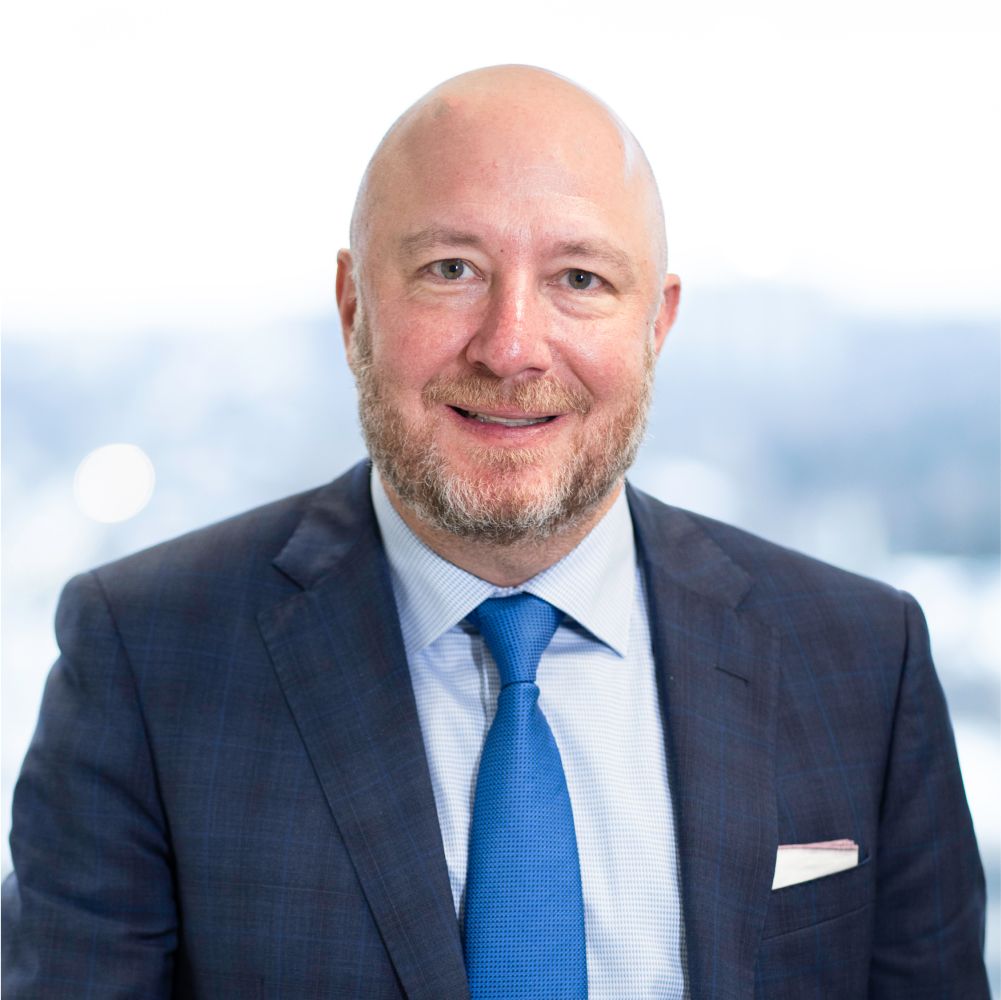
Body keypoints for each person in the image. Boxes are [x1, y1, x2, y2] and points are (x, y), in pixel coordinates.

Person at [2, 65, 989, 999]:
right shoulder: (144, 658)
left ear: (656, 325)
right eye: (451, 269)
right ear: (352, 308)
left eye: (580, 279)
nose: (511, 347)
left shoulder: (864, 659)